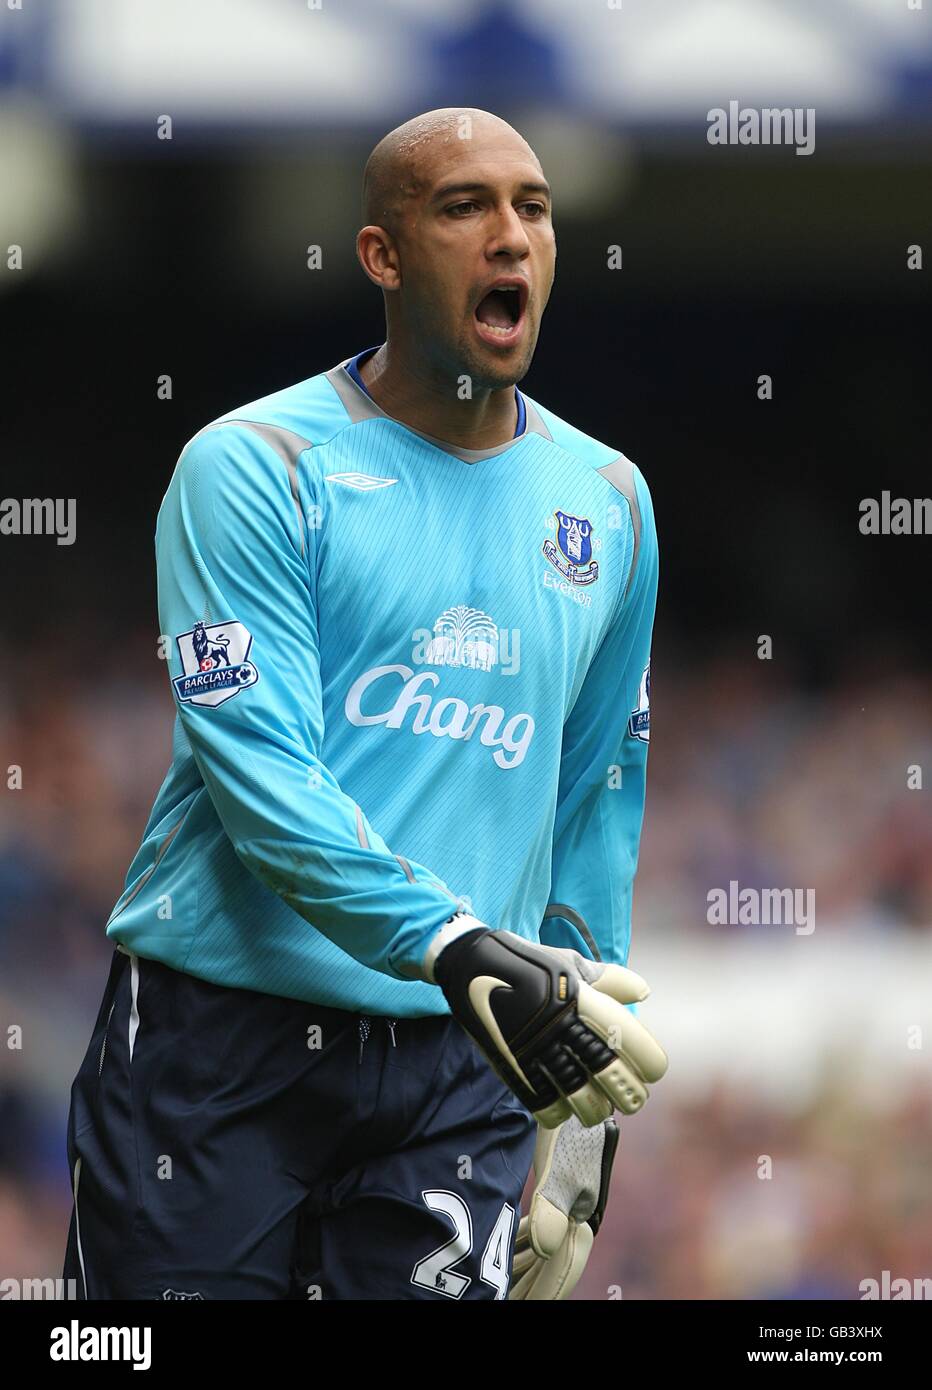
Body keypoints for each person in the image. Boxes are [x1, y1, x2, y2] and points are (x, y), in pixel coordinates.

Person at [63, 107, 666, 1302]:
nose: (509, 238)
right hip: (218, 1046)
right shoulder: (253, 467)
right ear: (381, 256)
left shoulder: (607, 501)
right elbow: (261, 781)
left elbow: (594, 798)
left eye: (532, 211)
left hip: (461, 1062)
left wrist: (580, 1129)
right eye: (464, 208)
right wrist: (454, 945)